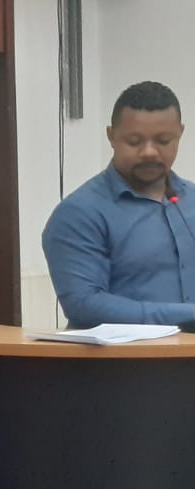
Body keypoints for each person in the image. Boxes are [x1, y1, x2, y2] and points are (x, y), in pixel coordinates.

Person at [42, 80, 194, 328]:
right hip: (123, 354)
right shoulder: (79, 213)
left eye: (163, 140)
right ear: (111, 136)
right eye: (134, 141)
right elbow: (84, 304)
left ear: (180, 133)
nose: (149, 152)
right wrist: (186, 315)